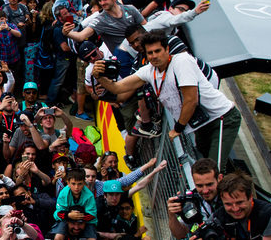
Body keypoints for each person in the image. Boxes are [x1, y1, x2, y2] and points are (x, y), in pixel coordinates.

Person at [99, 32, 241, 163]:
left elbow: (191, 100)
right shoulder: (149, 71)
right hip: (201, 125)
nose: (154, 56)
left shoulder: (181, 61)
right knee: (213, 165)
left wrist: (177, 129)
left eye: (157, 51)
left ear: (167, 50)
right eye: (150, 53)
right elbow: (117, 89)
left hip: (221, 118)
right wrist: (99, 76)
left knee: (214, 168)